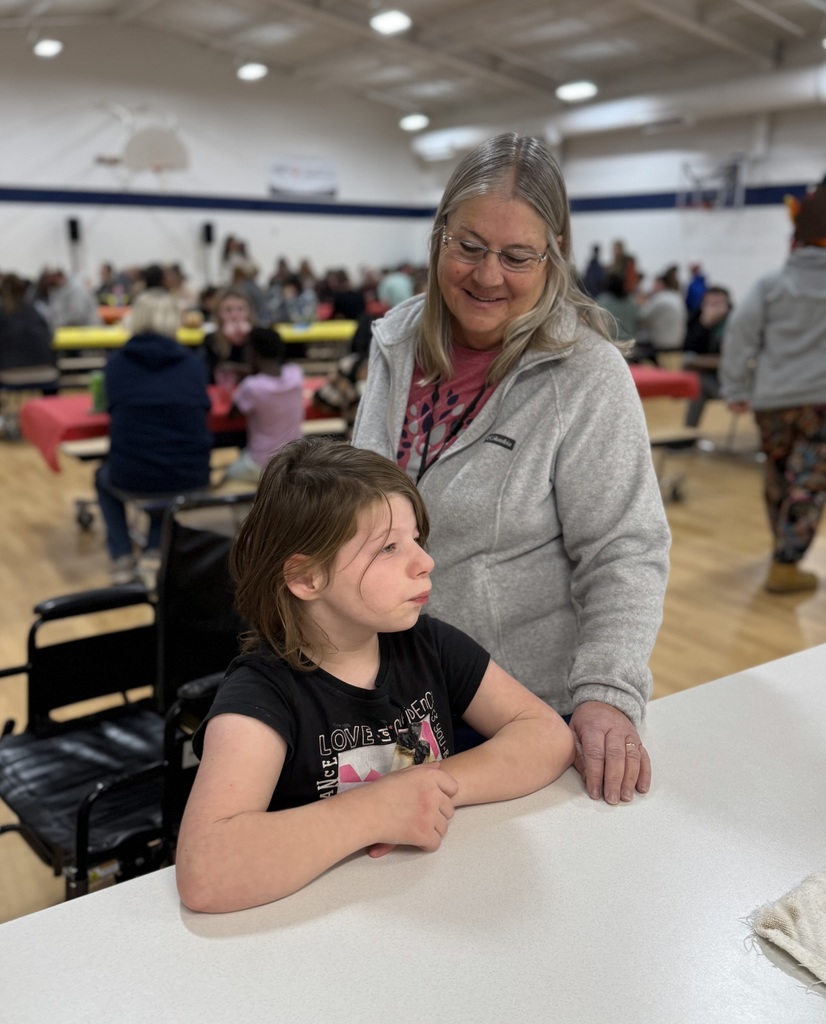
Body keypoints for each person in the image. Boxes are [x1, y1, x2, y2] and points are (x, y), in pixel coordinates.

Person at [353, 132, 669, 805]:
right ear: (439, 234)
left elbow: (625, 549)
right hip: (388, 694)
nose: (487, 275)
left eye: (517, 256)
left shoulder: (586, 375)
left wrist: (608, 693)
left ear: (554, 257)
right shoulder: (395, 343)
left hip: (513, 715)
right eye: (469, 247)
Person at [175, 439, 574, 912]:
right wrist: (374, 812)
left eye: (416, 540)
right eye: (388, 547)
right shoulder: (260, 696)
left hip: (426, 900)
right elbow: (206, 870)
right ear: (307, 578)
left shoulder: (428, 644)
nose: (425, 562)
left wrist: (428, 791)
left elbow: (546, 734)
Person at [720, 179, 826, 594]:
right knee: (810, 482)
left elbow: (738, 338)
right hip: (820, 404)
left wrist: (735, 389)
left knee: (778, 476)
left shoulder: (770, 285)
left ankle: (781, 553)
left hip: (772, 402)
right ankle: (786, 562)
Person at [95, 289, 212, 584]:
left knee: (104, 477)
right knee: (166, 472)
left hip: (134, 475)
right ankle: (153, 549)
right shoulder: (192, 364)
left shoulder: (116, 364)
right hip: (191, 475)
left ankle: (122, 556)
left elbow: (113, 409)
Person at [220, 327, 304, 484]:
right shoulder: (295, 373)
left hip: (261, 463)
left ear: (252, 351)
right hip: (295, 458)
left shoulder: (251, 387)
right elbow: (271, 374)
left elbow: (232, 414)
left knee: (227, 476)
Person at [682, 285, 732, 428]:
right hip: (712, 376)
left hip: (732, 382)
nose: (714, 309)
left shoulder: (734, 324)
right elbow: (687, 349)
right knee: (698, 382)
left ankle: (689, 432)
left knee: (698, 383)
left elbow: (732, 360)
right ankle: (689, 433)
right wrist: (704, 324)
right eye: (710, 304)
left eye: (718, 304)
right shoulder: (697, 318)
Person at [201, 287, 256, 385]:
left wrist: (252, 337)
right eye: (228, 310)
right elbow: (208, 375)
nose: (234, 315)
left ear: (249, 312)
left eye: (240, 309)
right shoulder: (210, 339)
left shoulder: (259, 337)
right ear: (218, 314)